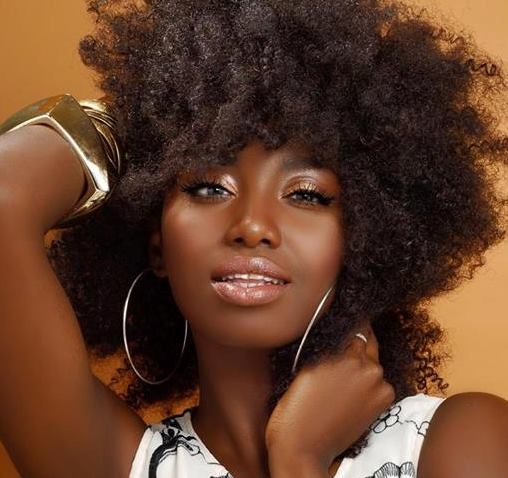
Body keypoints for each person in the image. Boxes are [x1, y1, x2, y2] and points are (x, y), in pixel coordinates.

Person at [0, 1, 508, 477]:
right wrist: (131, 130)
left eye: (306, 194)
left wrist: (298, 457)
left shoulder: (462, 440)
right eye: (208, 187)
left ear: (362, 242)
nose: (252, 225)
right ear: (157, 245)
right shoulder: (113, 462)